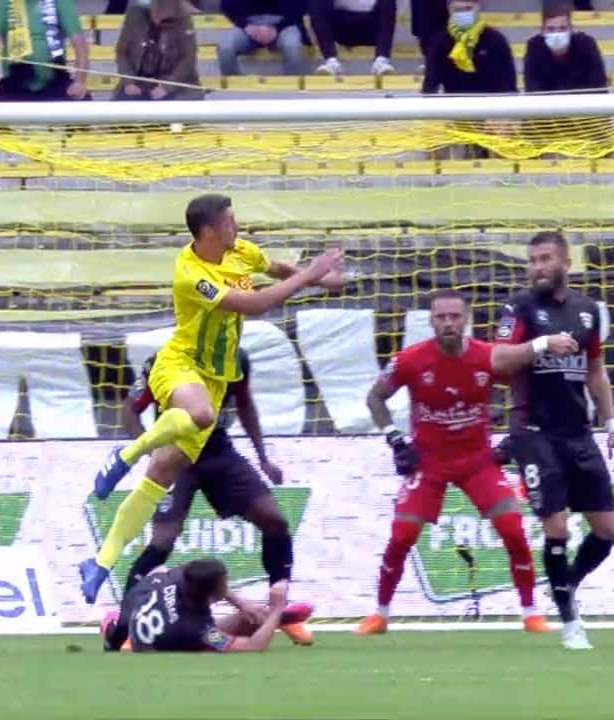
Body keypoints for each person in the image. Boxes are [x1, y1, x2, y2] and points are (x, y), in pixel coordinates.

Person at [79, 193, 343, 604]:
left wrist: (320, 279)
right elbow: (254, 304)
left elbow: (276, 269)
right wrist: (309, 275)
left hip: (216, 379)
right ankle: (128, 453)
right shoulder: (190, 272)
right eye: (230, 221)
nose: (236, 226)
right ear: (208, 231)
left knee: (159, 478)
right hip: (181, 363)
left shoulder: (241, 251)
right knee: (200, 414)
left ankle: (101, 561)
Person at [356, 288, 579, 636]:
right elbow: (375, 397)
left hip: (477, 461)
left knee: (513, 530)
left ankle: (530, 612)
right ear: (431, 320)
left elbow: (526, 387)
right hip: (429, 461)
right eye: (441, 317)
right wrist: (395, 439)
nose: (448, 322)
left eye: (455, 316)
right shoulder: (410, 359)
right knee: (402, 535)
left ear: (467, 318)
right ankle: (380, 613)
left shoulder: (488, 357)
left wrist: (515, 436)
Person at [113, 347, 312, 645]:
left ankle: (276, 610)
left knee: (275, 520)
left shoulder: (235, 358)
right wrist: (153, 452)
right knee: (162, 541)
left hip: (218, 450)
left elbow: (244, 405)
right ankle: (124, 627)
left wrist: (263, 457)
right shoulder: (163, 360)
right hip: (176, 450)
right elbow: (130, 410)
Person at [496, 231, 614, 650]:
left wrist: (610, 421)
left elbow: (597, 371)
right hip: (533, 431)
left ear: (565, 261)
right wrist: (541, 344)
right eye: (532, 260)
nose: (538, 267)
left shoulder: (587, 311)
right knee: (558, 527)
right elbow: (497, 358)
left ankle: (564, 585)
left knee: (607, 529)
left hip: (578, 431)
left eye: (545, 258)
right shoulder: (519, 306)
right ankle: (570, 623)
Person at [101, 559, 312, 652]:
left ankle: (275, 619)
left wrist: (240, 602)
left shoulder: (181, 578)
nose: (227, 587)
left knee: (160, 570)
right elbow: (253, 647)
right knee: (249, 629)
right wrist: (276, 608)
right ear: (210, 593)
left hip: (140, 599)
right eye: (224, 584)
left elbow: (187, 569)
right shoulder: (200, 631)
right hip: (159, 637)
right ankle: (278, 618)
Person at [0, 0, 90, 102]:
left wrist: (79, 82)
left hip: (56, 79)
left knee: (86, 107)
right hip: (14, 82)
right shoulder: (2, 2)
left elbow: (80, 44)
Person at [112, 0, 205, 101]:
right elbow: (122, 53)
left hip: (175, 86)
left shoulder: (183, 20)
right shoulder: (135, 16)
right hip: (138, 84)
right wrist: (128, 82)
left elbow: (188, 59)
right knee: (121, 107)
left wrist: (167, 87)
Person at [422, 0, 516, 95]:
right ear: (449, 9)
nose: (463, 14)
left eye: (468, 9)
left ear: (478, 7)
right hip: (453, 104)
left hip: (491, 104)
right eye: (457, 10)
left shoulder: (495, 40)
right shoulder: (440, 43)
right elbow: (430, 83)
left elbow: (508, 83)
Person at [524, 3, 607, 94]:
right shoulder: (534, 47)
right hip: (547, 106)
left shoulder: (587, 45)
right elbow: (532, 87)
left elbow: (598, 84)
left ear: (571, 29)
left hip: (583, 104)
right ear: (542, 31)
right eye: (551, 29)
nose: (557, 34)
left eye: (562, 28)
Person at [217, 0, 306, 76]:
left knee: (292, 46)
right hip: (248, 24)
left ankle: (291, 88)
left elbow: (301, 6)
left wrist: (278, 28)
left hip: (284, 23)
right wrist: (246, 26)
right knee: (225, 47)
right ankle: (234, 88)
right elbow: (226, 5)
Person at [309, 0, 396, 77]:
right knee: (316, 2)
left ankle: (381, 61)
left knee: (388, 2)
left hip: (371, 28)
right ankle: (331, 61)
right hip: (341, 28)